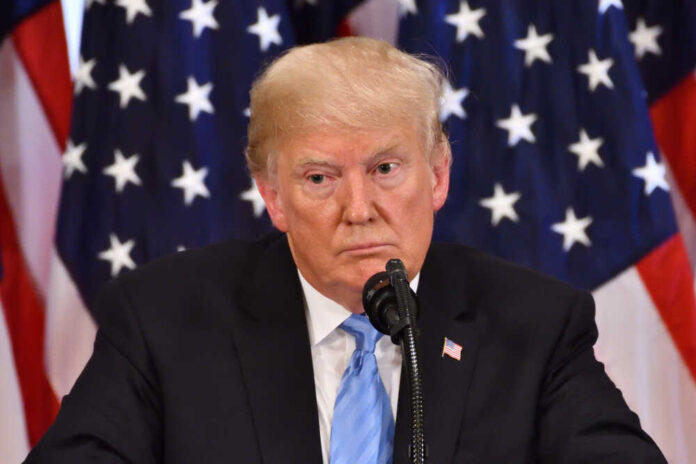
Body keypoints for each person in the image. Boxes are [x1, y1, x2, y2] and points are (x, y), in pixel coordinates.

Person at [25, 37, 665, 463]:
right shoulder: (163, 320)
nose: (358, 209)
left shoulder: (535, 323)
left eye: (386, 168)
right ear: (273, 197)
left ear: (438, 176)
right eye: (320, 178)